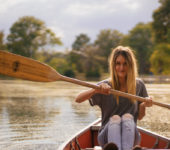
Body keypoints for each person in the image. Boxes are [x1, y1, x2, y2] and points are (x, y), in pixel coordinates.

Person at [75, 46, 152, 150]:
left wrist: (143, 104)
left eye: (125, 64)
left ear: (130, 65)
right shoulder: (105, 85)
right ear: (113, 65)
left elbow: (139, 117)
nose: (121, 68)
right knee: (115, 119)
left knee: (128, 118)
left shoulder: (138, 85)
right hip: (107, 140)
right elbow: (78, 99)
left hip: (131, 136)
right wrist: (96, 90)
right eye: (118, 63)